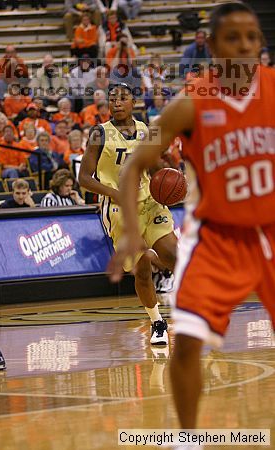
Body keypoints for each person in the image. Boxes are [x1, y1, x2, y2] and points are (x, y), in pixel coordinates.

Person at [108, 3, 275, 448]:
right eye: (233, 37)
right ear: (214, 47)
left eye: (252, 36)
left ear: (261, 44)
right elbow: (135, 166)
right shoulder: (192, 102)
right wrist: (128, 231)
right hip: (218, 235)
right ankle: (187, 439)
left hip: (272, 231)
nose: (244, 45)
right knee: (188, 344)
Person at [79, 83, 177, 345]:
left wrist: (172, 178)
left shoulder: (147, 130)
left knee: (175, 256)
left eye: (123, 98)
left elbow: (156, 165)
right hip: (118, 208)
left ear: (134, 102)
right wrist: (114, 193)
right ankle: (157, 321)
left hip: (149, 202)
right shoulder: (99, 133)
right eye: (112, 99)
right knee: (141, 270)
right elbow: (84, 178)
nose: (117, 102)